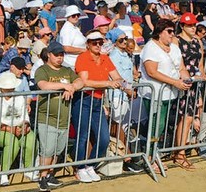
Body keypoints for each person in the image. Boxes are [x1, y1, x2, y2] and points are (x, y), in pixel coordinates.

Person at [139, 19, 192, 173]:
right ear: (160, 32)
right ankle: (150, 157)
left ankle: (155, 154)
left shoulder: (174, 48)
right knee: (156, 125)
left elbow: (181, 67)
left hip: (171, 93)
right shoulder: (150, 48)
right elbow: (151, 71)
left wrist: (186, 79)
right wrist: (175, 82)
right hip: (154, 93)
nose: (172, 34)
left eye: (173, 31)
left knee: (161, 126)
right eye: (169, 31)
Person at [73, 31, 124, 183]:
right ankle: (79, 167)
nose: (98, 45)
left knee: (104, 138)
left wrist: (124, 84)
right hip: (83, 99)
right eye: (94, 42)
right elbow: (84, 81)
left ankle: (90, 165)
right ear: (88, 44)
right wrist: (108, 83)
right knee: (82, 137)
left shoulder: (105, 58)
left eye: (100, 42)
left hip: (97, 101)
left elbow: (117, 77)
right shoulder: (82, 58)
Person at [34, 41, 84, 191]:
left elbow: (80, 80)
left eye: (61, 55)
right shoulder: (42, 70)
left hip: (63, 118)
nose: (59, 58)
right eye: (56, 55)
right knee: (47, 149)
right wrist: (64, 86)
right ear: (49, 55)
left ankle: (50, 174)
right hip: (47, 117)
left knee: (58, 149)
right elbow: (43, 85)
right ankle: (42, 176)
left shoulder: (67, 70)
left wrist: (72, 87)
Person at [106, 28, 143, 173]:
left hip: (125, 94)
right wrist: (128, 90)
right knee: (118, 125)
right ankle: (126, 158)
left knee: (123, 125)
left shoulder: (125, 55)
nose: (124, 42)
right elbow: (117, 76)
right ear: (115, 42)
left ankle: (124, 157)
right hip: (117, 94)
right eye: (121, 40)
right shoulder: (114, 55)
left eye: (125, 38)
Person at [173, 13, 206, 169]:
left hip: (195, 84)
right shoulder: (176, 40)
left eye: (194, 25)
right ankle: (180, 153)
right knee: (185, 118)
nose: (193, 28)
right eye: (189, 25)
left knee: (187, 118)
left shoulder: (197, 41)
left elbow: (200, 64)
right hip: (182, 83)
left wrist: (203, 75)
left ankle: (180, 152)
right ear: (182, 26)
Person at [0, 71, 34, 186]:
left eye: (11, 88)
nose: (10, 90)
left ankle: (29, 169)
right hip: (0, 129)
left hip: (18, 125)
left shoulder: (19, 96)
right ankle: (4, 173)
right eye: (7, 88)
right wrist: (10, 129)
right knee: (11, 142)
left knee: (31, 139)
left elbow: (24, 114)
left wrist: (25, 125)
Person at [57, 5, 87, 70]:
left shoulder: (74, 27)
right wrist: (84, 50)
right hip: (71, 63)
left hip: (78, 61)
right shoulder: (67, 29)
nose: (76, 17)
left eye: (78, 15)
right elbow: (66, 48)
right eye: (73, 16)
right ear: (68, 16)